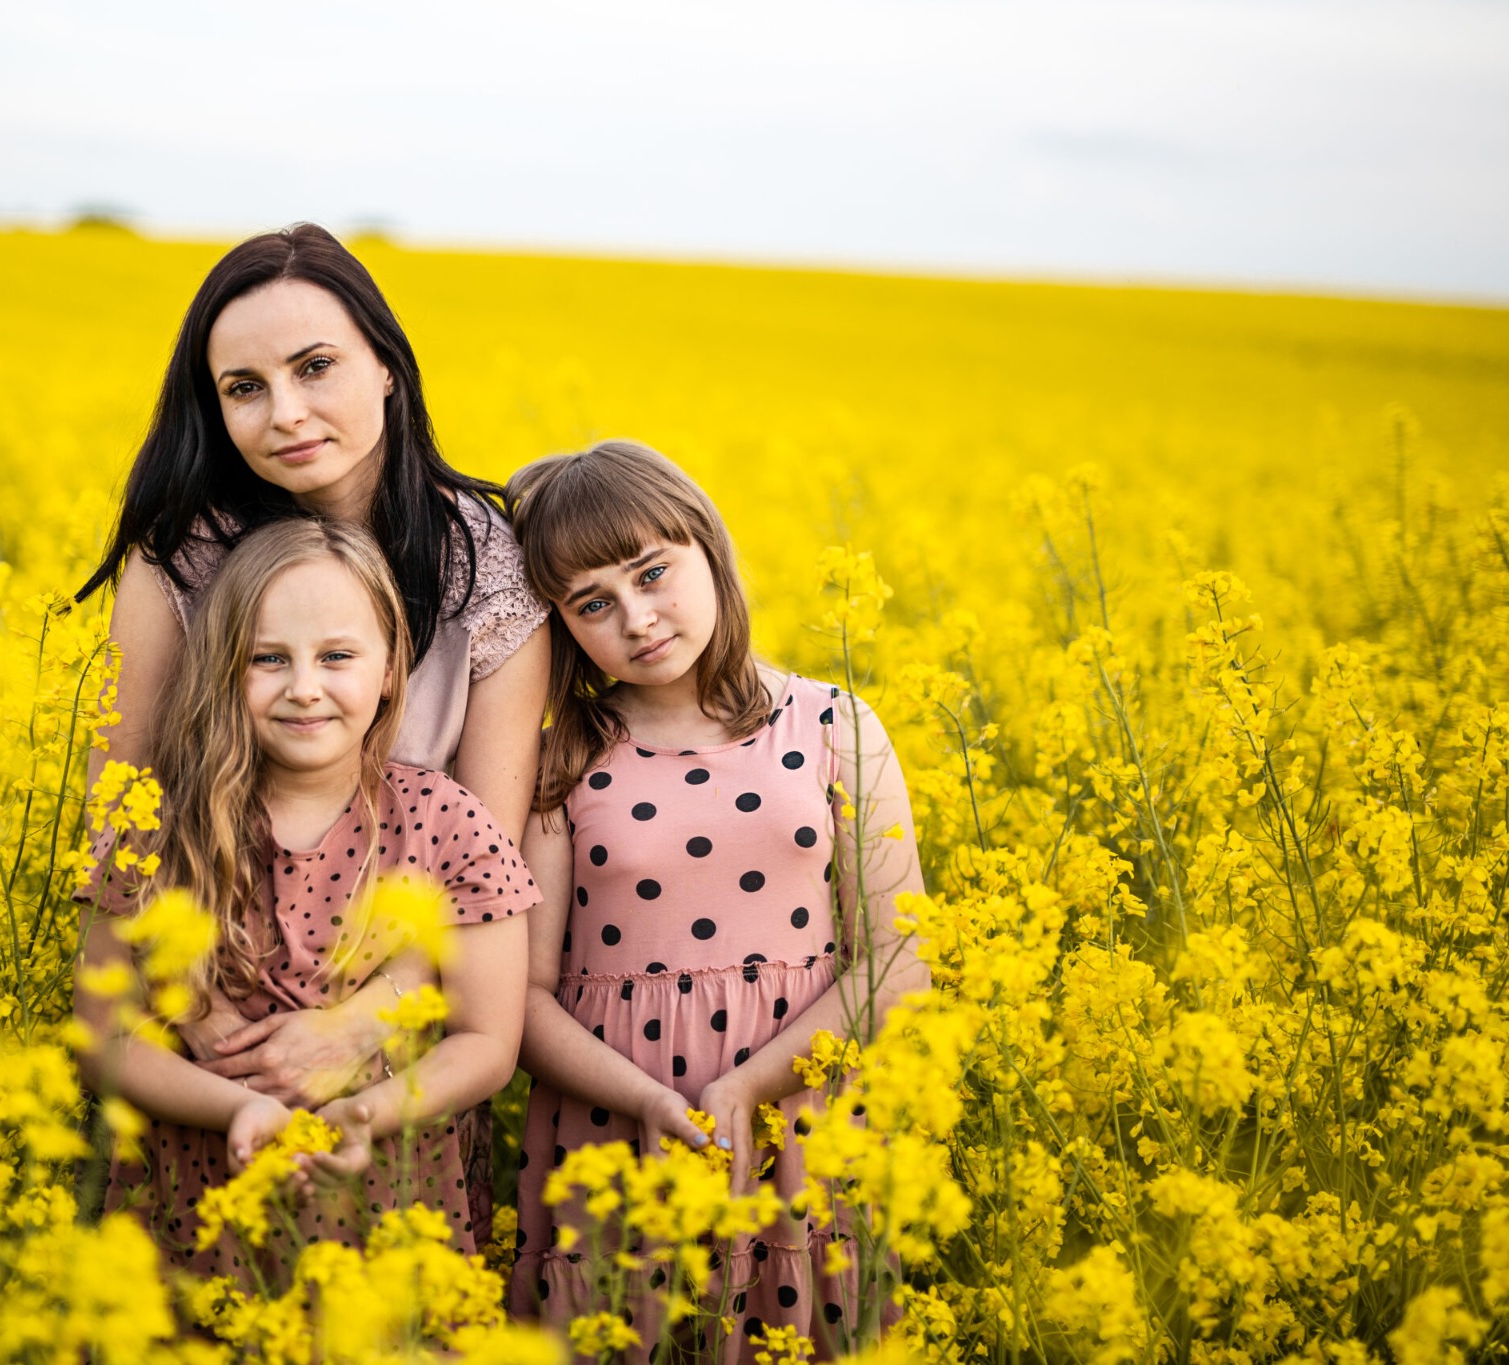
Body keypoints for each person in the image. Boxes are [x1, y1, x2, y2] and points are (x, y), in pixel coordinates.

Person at [76, 224, 549, 1211]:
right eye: (243, 387)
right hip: (205, 1048)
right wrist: (191, 1007)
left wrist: (369, 1020)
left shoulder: (488, 563)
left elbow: (481, 862)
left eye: (315, 367)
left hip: (400, 1042)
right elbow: (117, 824)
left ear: (385, 366)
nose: (283, 412)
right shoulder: (177, 562)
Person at [503, 441, 930, 1350]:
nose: (638, 617)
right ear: (562, 626)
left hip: (804, 1118)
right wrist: (652, 1102)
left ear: (708, 545)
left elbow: (900, 960)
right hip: (614, 1125)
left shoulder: (834, 722)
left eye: (653, 572)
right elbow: (524, 998)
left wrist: (750, 1085)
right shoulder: (561, 760)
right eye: (592, 603)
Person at [74, 518, 535, 1281]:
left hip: (384, 1190)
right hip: (194, 1196)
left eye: (337, 656)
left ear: (392, 669)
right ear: (225, 669)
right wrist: (241, 1109)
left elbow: (490, 1043)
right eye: (268, 659)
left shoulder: (447, 821)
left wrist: (361, 1115)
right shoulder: (155, 826)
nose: (305, 687)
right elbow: (103, 1037)